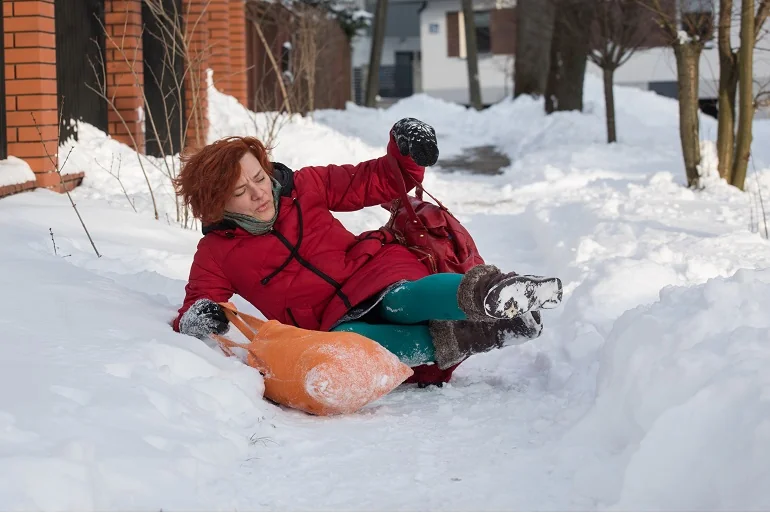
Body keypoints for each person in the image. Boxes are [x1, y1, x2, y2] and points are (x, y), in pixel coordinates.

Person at [172, 118, 563, 386]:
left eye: (259, 177)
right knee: (349, 341)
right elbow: (199, 302)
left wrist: (406, 152)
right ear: (217, 204)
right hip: (333, 320)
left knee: (399, 299)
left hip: (372, 271)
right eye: (240, 191)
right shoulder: (216, 253)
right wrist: (199, 317)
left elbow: (372, 179)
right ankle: (482, 332)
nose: (259, 192)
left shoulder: (306, 186)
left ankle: (492, 293)